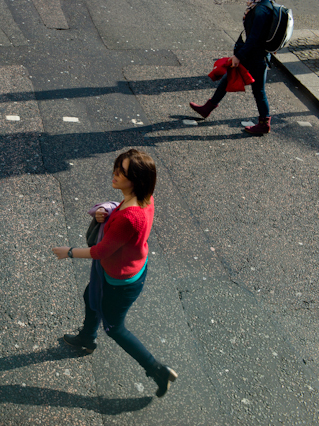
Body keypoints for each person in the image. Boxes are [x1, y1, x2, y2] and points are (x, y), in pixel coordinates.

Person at [52, 149, 177, 398]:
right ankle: (87, 337)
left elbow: (99, 251)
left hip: (119, 280)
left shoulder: (130, 218)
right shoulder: (144, 197)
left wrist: (67, 252)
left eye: (122, 172)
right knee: (91, 296)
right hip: (126, 265)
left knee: (115, 328)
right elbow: (120, 228)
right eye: (117, 166)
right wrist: (107, 212)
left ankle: (158, 370)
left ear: (137, 180)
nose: (115, 174)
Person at [189, 0, 274, 135]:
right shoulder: (267, 5)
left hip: (254, 57)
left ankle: (264, 124)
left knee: (259, 91)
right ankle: (208, 107)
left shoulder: (260, 11)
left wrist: (239, 55)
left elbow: (253, 38)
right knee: (229, 77)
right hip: (257, 55)